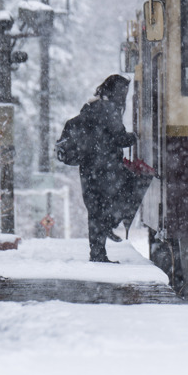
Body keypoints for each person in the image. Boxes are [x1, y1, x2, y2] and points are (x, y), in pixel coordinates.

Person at [78, 74, 137, 263]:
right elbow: (119, 138)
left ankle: (97, 252)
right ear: (114, 91)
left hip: (88, 167)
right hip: (105, 168)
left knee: (95, 210)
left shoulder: (89, 107)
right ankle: (109, 226)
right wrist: (136, 137)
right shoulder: (109, 109)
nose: (124, 95)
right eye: (122, 91)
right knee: (127, 192)